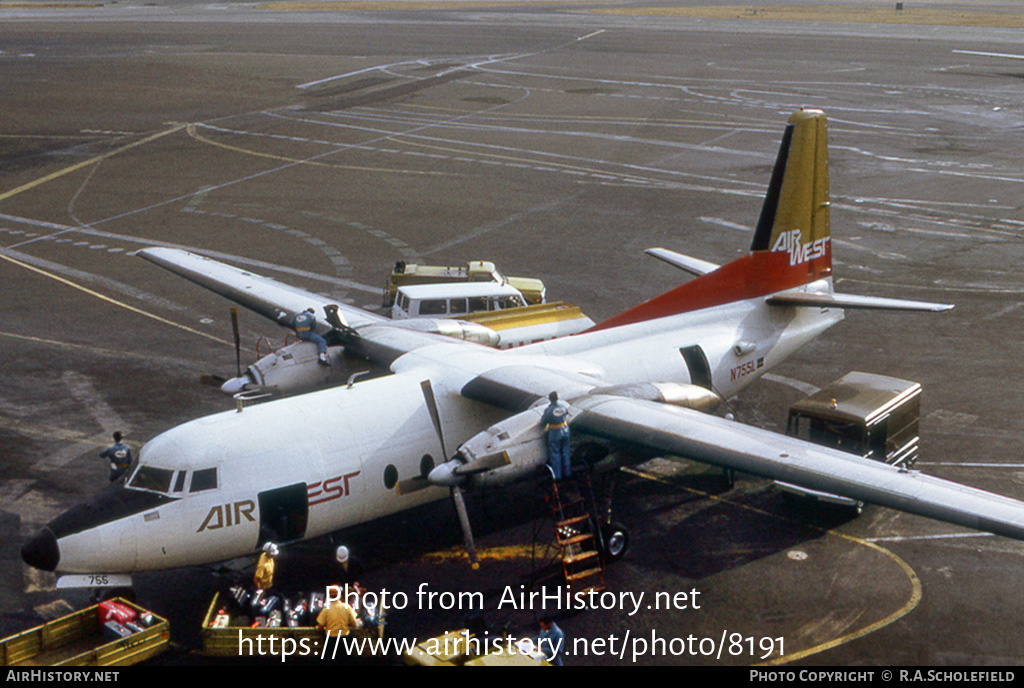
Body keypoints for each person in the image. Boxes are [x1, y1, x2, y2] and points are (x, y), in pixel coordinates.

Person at [541, 392, 571, 481]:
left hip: (555, 432)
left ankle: (557, 476)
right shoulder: (563, 406)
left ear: (550, 399)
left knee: (555, 453)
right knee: (566, 451)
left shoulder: (549, 410)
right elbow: (566, 413)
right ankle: (568, 473)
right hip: (565, 430)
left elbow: (543, 421)